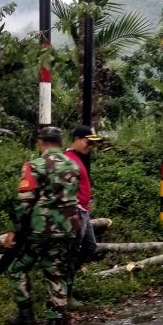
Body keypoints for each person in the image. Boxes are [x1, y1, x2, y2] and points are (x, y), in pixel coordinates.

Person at [3, 126, 82, 325]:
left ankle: (25, 313)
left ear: (41, 142)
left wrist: (13, 231)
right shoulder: (73, 166)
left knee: (17, 268)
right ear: (60, 141)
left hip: (40, 231)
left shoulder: (35, 166)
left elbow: (23, 202)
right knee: (56, 275)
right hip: (67, 229)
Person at [63, 125, 102, 301]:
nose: (89, 146)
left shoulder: (78, 158)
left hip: (84, 212)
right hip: (76, 213)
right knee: (73, 252)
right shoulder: (68, 159)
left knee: (90, 246)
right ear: (77, 139)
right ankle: (65, 291)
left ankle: (66, 282)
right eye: (87, 142)